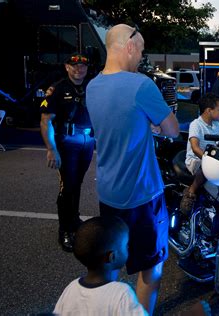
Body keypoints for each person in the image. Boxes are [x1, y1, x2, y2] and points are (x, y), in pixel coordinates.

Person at [85, 24, 179, 315]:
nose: (140, 56)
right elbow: (172, 130)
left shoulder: (92, 86)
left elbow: (118, 123)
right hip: (142, 195)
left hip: (108, 192)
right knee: (152, 268)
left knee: (110, 263)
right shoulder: (141, 85)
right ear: (128, 46)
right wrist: (156, 124)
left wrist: (144, 125)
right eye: (140, 49)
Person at [40, 53, 95, 252]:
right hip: (67, 143)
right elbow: (45, 121)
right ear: (67, 67)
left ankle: (74, 219)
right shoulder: (58, 89)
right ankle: (64, 230)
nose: (79, 69)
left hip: (88, 141)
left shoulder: (92, 87)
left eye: (83, 66)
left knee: (77, 183)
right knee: (67, 186)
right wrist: (51, 150)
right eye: (74, 66)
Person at [53, 216, 148, 315]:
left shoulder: (71, 289)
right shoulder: (121, 294)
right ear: (112, 257)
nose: (128, 247)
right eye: (125, 245)